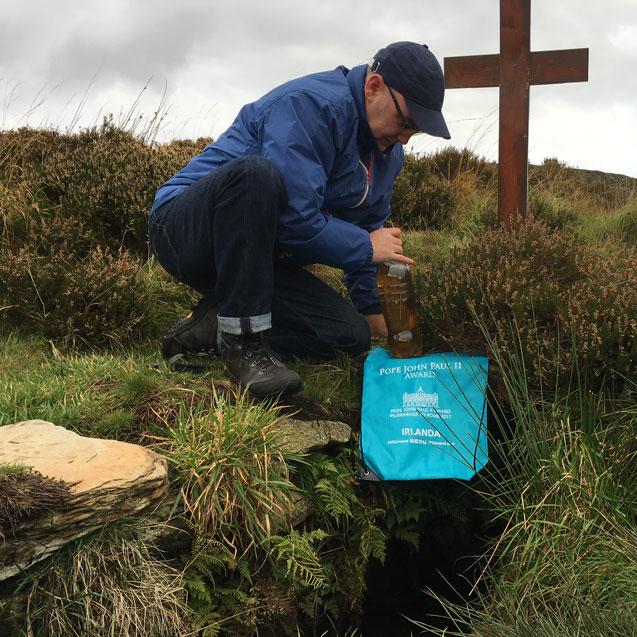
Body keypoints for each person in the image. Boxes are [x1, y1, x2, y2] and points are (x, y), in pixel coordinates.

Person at [148, 42, 450, 398]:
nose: (404, 138)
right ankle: (243, 343)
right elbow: (295, 221)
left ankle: (217, 322)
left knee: (349, 335)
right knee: (255, 175)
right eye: (405, 122)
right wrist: (364, 247)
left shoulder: (387, 152)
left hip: (256, 256)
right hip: (185, 232)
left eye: (414, 132)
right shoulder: (309, 105)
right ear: (374, 87)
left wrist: (372, 311)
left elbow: (370, 224)